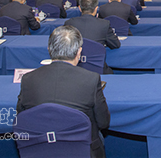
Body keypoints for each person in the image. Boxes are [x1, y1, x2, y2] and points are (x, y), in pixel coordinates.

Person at [17, 25, 110, 158]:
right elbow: (103, 122)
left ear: (49, 49)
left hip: (40, 150)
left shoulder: (28, 79)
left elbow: (22, 117)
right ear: (79, 52)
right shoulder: (91, 79)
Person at [65, 0, 120, 74]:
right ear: (96, 8)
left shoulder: (69, 23)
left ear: (79, 8)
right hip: (98, 70)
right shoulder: (104, 24)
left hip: (73, 70)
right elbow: (116, 44)